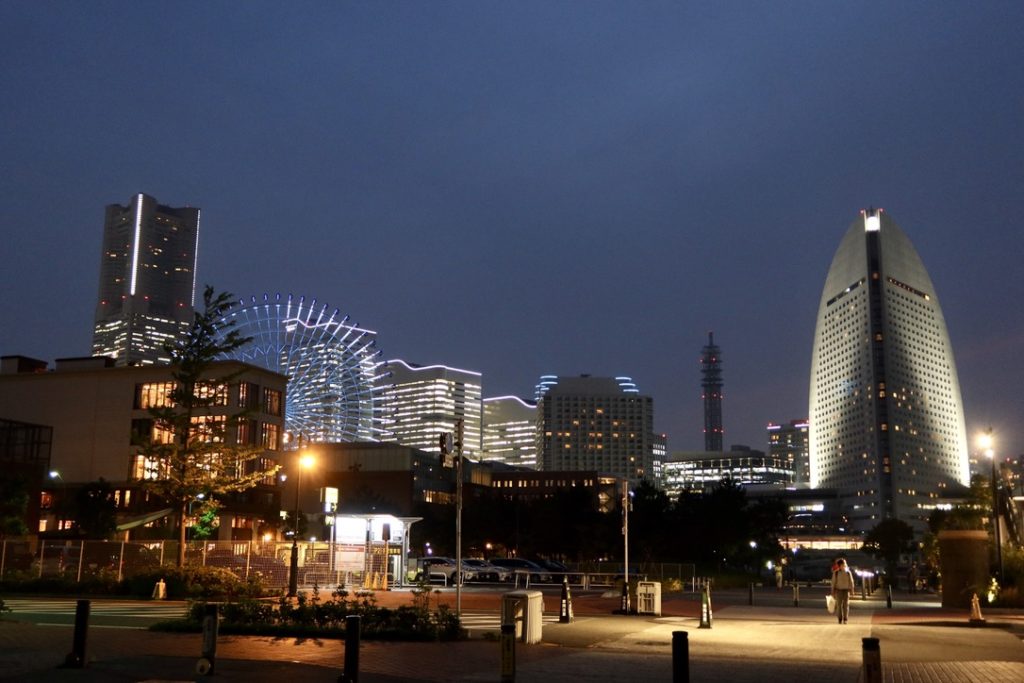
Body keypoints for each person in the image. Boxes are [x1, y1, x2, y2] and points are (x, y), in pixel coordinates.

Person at [831, 558, 855, 624]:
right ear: (840, 565)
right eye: (843, 563)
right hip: (839, 590)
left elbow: (851, 582)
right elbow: (833, 582)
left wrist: (852, 590)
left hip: (846, 590)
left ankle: (845, 619)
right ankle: (840, 618)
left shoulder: (848, 573)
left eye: (845, 563)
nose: (845, 565)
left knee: (846, 605)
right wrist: (832, 591)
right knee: (839, 605)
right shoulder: (836, 573)